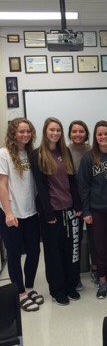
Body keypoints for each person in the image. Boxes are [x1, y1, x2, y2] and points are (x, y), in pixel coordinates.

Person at [30, 117, 82, 306]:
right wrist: (48, 213)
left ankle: (70, 285)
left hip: (69, 210)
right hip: (51, 213)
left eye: (58, 130)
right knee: (53, 253)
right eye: (52, 130)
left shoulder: (65, 151)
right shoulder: (37, 154)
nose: (55, 133)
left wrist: (77, 206)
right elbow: (40, 187)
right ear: (45, 132)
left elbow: (72, 181)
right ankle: (57, 290)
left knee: (70, 251)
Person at [0, 118, 43, 312]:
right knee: (15, 255)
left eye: (28, 131)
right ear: (13, 133)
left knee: (34, 252)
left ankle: (30, 287)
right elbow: (1, 185)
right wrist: (8, 212)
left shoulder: (30, 153)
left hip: (31, 211)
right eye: (21, 131)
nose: (25, 135)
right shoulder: (4, 154)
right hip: (12, 213)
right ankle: (19, 293)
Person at [79, 121, 107, 299]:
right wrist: (86, 211)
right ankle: (102, 281)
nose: (103, 137)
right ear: (95, 137)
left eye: (106, 134)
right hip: (96, 211)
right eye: (100, 134)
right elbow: (83, 186)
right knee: (100, 248)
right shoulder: (88, 158)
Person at [67, 120, 93, 290]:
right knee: (74, 241)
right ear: (70, 134)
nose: (78, 134)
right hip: (72, 202)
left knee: (94, 238)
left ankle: (97, 270)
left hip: (91, 201)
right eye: (74, 131)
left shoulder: (91, 150)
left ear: (86, 133)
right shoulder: (65, 151)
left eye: (81, 131)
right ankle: (74, 276)